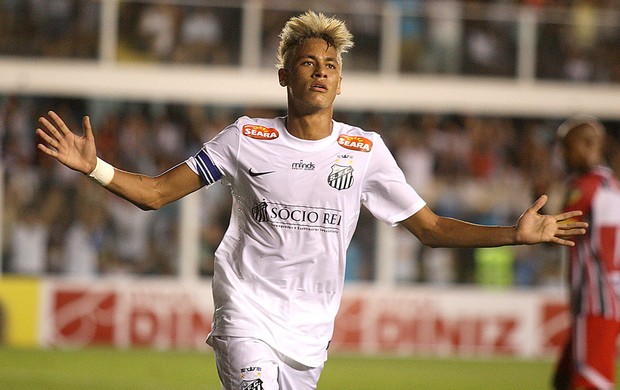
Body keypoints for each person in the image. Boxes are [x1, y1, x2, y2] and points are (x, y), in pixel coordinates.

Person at [36, 11, 587, 390]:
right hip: (246, 314)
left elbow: (432, 228)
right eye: (307, 63)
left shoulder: (364, 150)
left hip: (311, 332)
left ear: (340, 83)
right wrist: (97, 167)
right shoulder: (246, 137)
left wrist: (515, 235)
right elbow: (155, 194)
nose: (321, 71)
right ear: (285, 75)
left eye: (330, 66)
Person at [552, 115, 620, 390]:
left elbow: (554, 232)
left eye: (568, 147)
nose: (563, 154)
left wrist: (538, 213)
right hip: (607, 299)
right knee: (564, 380)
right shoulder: (611, 186)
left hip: (595, 301)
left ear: (589, 145)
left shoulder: (584, 188)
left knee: (588, 383)